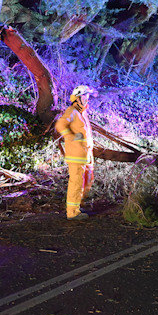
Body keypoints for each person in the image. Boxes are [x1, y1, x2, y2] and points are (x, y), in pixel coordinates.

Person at [55, 85, 98, 220]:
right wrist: (71, 137)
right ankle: (72, 212)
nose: (87, 99)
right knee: (77, 182)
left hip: (86, 154)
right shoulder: (72, 111)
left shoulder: (82, 113)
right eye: (85, 96)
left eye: (88, 96)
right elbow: (60, 125)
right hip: (76, 155)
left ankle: (78, 205)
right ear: (78, 98)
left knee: (88, 180)